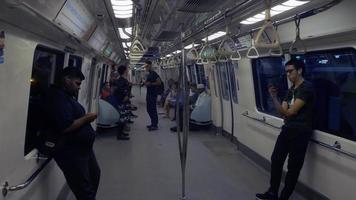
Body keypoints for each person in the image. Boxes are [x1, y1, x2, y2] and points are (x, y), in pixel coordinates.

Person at [256, 59, 315, 200]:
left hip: (300, 132)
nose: (288, 74)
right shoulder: (291, 89)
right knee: (276, 159)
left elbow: (290, 112)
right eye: (287, 72)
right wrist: (274, 96)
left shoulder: (306, 88)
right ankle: (272, 192)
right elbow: (282, 111)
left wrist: (285, 110)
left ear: (299, 70)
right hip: (287, 129)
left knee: (293, 167)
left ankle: (284, 197)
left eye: (291, 71)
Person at [41, 67, 100, 200]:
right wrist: (87, 118)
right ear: (67, 80)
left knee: (94, 176)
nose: (79, 88)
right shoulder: (56, 98)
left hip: (83, 149)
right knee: (84, 190)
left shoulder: (67, 96)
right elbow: (65, 126)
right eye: (77, 84)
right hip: (70, 152)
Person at [143, 60, 162, 131]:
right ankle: (152, 123)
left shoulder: (154, 73)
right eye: (145, 66)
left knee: (153, 109)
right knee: (148, 109)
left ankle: (155, 125)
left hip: (153, 94)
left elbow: (159, 82)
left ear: (150, 66)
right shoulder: (149, 74)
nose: (146, 68)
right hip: (149, 93)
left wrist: (150, 84)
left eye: (147, 66)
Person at [114, 65, 131, 140]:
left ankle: (122, 132)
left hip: (123, 101)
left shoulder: (122, 80)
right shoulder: (121, 80)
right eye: (126, 70)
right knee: (122, 118)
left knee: (124, 118)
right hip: (122, 101)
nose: (127, 71)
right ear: (124, 71)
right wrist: (125, 96)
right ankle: (119, 135)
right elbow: (121, 90)